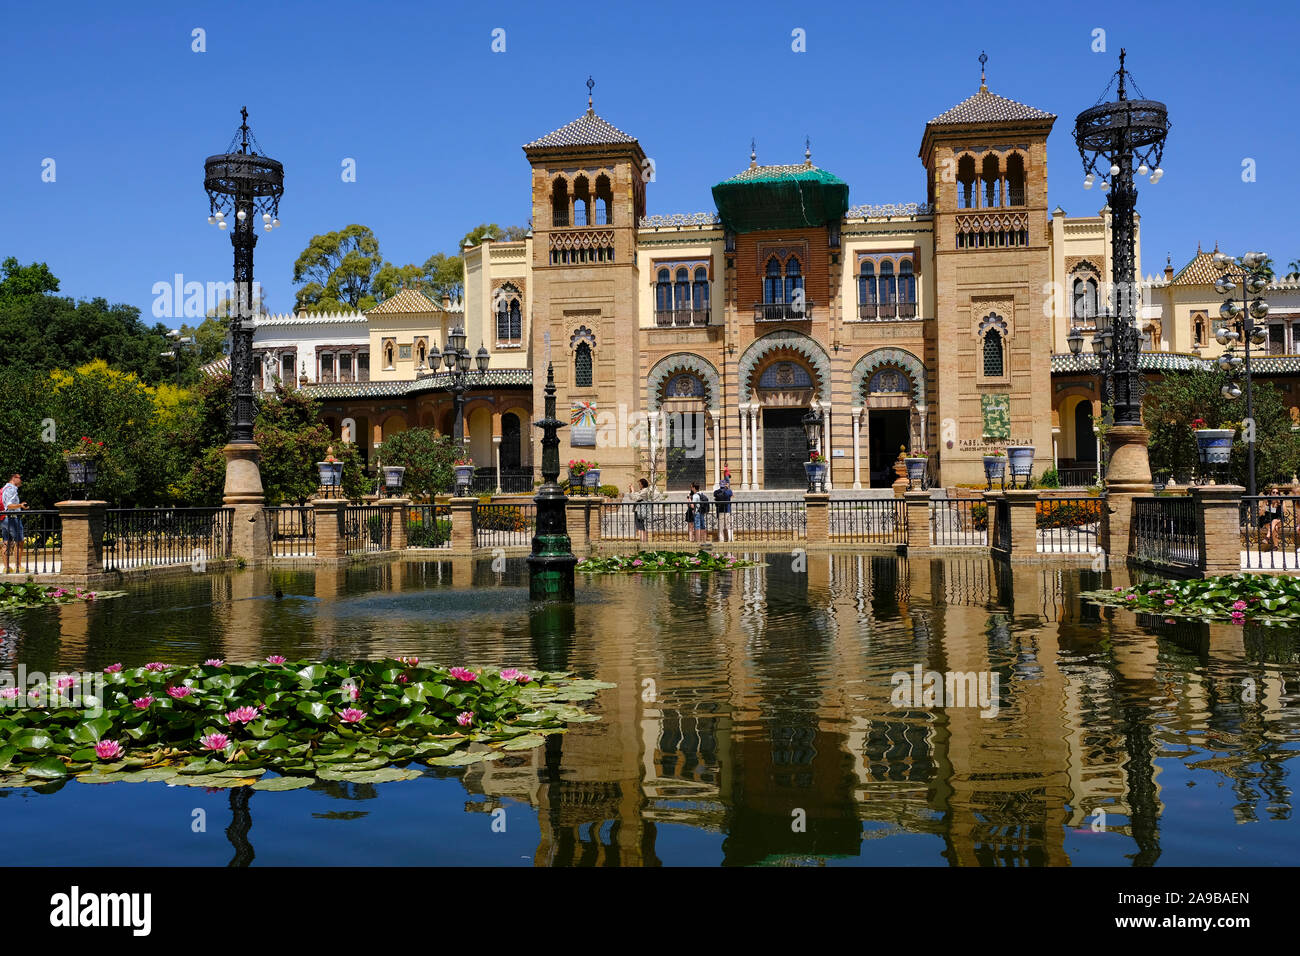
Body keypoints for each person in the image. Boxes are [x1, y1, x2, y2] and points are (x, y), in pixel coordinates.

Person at [1, 474, 28, 574]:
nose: (21, 480)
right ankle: (18, 566)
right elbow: (9, 505)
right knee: (19, 542)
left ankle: (7, 568)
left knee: (6, 542)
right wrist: (20, 505)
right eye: (20, 478)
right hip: (12, 518)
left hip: (4, 518)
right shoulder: (11, 489)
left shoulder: (4, 488)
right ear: (14, 478)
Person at [625, 477, 658, 543]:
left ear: (643, 484)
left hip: (640, 511)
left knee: (640, 527)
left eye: (639, 484)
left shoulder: (644, 491)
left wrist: (633, 490)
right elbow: (632, 497)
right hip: (639, 511)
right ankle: (644, 542)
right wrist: (631, 491)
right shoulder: (642, 491)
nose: (639, 486)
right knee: (641, 527)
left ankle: (643, 543)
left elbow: (635, 498)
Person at [713, 475, 734, 543]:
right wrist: (727, 488)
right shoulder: (729, 491)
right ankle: (730, 539)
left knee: (721, 526)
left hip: (720, 511)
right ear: (725, 484)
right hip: (727, 510)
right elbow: (732, 495)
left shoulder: (716, 492)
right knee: (729, 526)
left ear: (719, 485)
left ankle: (721, 540)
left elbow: (714, 494)